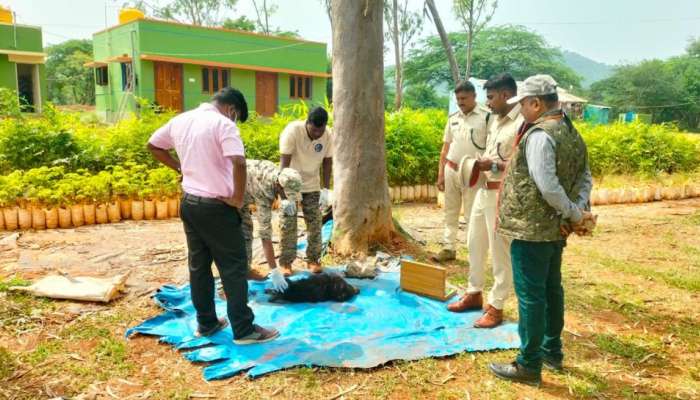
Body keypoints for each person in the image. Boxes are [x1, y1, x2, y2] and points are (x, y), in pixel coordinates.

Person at [147, 87, 279, 345]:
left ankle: (206, 323)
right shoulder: (223, 124)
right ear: (232, 110)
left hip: (189, 204)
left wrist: (180, 167)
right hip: (217, 208)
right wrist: (238, 199)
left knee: (199, 267)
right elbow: (239, 163)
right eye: (235, 116)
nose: (234, 121)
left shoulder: (181, 120)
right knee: (234, 267)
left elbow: (153, 146)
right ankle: (244, 330)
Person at [488, 75, 594, 385]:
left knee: (532, 296)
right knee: (551, 289)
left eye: (522, 103)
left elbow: (547, 186)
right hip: (555, 230)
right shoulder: (571, 132)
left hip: (531, 230)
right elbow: (585, 176)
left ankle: (529, 364)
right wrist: (576, 211)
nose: (520, 109)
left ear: (536, 103)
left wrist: (573, 213)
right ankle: (551, 351)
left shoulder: (538, 136)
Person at [447, 73, 523, 329]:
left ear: (505, 95)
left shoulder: (521, 123)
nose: (488, 103)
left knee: (500, 252)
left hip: (502, 193)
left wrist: (495, 164)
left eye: (490, 97)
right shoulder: (498, 121)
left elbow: (522, 164)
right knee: (474, 242)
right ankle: (474, 291)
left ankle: (497, 305)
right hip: (483, 190)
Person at [434, 81, 489, 262]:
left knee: (472, 213)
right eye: (458, 99)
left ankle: (473, 250)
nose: (460, 102)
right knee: (450, 210)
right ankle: (448, 248)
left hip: (474, 172)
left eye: (464, 98)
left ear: (474, 96)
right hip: (452, 169)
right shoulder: (453, 118)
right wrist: (441, 174)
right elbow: (445, 148)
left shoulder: (487, 117)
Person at [279, 106, 333, 274]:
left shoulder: (328, 134)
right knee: (289, 224)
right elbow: (283, 165)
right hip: (291, 183)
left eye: (321, 130)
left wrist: (325, 189)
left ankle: (314, 260)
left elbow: (327, 161)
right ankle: (286, 263)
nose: (318, 134)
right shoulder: (292, 132)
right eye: (315, 130)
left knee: (315, 223)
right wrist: (284, 195)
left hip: (312, 185)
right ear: (307, 123)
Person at [240, 159, 302, 279]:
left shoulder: (278, 173)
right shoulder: (264, 191)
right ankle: (238, 275)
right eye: (286, 194)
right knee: (243, 229)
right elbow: (265, 234)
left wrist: (287, 199)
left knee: (246, 226)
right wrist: (274, 271)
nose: (287, 197)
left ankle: (245, 269)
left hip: (244, 185)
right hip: (229, 193)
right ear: (278, 186)